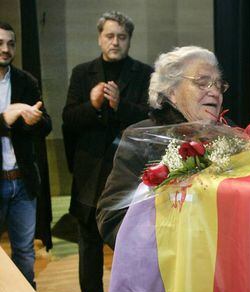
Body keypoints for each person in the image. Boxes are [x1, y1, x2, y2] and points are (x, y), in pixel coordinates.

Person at [62, 11, 153, 292]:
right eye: (110, 36)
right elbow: (69, 119)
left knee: (129, 239)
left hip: (128, 171)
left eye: (122, 37)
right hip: (90, 169)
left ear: (129, 40)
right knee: (87, 238)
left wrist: (119, 104)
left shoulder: (144, 74)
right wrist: (93, 105)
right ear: (100, 37)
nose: (115, 42)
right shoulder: (81, 72)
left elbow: (150, 120)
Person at [96, 45, 229, 249]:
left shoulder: (232, 135)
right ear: (171, 92)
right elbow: (111, 217)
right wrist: (168, 244)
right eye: (202, 82)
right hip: (168, 269)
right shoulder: (141, 139)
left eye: (219, 85)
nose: (214, 91)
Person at [0, 21, 52, 288]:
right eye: (0, 43)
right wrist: (3, 119)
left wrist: (35, 120)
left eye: (10, 43)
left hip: (22, 181)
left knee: (24, 251)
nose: (5, 49)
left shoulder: (25, 81)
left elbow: (47, 124)